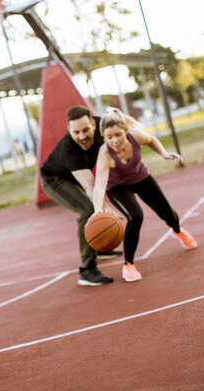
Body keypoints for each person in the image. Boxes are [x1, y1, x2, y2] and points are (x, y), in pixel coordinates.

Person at [92, 107, 198, 282]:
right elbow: (99, 185)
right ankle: (128, 265)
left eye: (118, 134)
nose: (114, 140)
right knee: (136, 216)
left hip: (141, 178)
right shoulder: (104, 153)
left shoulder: (136, 136)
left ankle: (178, 231)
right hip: (117, 187)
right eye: (109, 137)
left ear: (126, 131)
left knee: (168, 214)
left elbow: (151, 139)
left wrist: (164, 154)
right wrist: (98, 210)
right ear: (103, 136)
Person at [40, 105, 123, 287]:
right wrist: (106, 208)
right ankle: (88, 270)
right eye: (76, 132)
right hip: (54, 180)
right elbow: (89, 185)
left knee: (96, 205)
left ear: (94, 124)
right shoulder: (69, 149)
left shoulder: (104, 126)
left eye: (86, 130)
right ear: (69, 130)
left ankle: (97, 247)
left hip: (75, 176)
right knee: (87, 210)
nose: (82, 136)